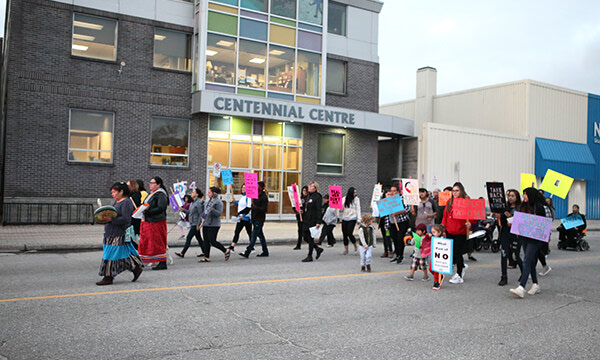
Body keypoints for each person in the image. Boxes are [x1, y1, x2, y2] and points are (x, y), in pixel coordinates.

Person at [96, 182, 143, 285]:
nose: (113, 194)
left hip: (118, 233)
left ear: (121, 191)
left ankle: (108, 276)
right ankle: (135, 267)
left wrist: (111, 219)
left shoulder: (126, 202)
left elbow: (126, 219)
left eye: (114, 192)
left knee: (110, 255)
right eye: (112, 192)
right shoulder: (117, 202)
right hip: (110, 232)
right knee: (123, 254)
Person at [510, 187, 551, 298]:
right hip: (524, 237)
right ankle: (535, 284)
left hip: (535, 238)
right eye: (523, 195)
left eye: (526, 195)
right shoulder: (522, 206)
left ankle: (521, 287)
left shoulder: (539, 208)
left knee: (527, 260)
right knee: (531, 261)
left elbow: (544, 223)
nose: (524, 197)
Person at [442, 182, 474, 284]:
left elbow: (473, 216)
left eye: (457, 190)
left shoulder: (465, 202)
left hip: (460, 232)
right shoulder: (449, 202)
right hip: (449, 231)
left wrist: (470, 224)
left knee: (458, 253)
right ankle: (462, 267)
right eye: (453, 191)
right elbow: (445, 216)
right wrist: (443, 229)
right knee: (452, 253)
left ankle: (459, 274)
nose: (455, 193)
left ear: (461, 191)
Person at [138, 176, 169, 270]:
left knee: (157, 241)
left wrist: (147, 211)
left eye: (153, 183)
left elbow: (161, 208)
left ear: (158, 184)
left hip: (156, 221)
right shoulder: (151, 194)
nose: (150, 185)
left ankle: (162, 262)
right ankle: (145, 259)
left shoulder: (161, 194)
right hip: (148, 221)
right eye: (150, 183)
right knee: (147, 242)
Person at [497, 189, 522, 286]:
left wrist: (511, 217)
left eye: (512, 196)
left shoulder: (520, 208)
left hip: (516, 234)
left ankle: (524, 272)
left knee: (516, 255)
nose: (510, 198)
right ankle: (504, 276)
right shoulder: (504, 208)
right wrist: (499, 217)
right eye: (509, 196)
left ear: (516, 197)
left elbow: (522, 222)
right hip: (505, 233)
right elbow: (501, 223)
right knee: (504, 254)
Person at [199, 187, 230, 262]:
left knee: (212, 241)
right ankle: (206, 257)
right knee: (206, 240)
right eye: (208, 192)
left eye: (209, 192)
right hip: (206, 223)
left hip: (214, 224)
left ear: (214, 193)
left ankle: (225, 250)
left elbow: (219, 213)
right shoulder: (209, 201)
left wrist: (213, 210)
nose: (208, 194)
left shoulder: (218, 202)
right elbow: (205, 211)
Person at [240, 181, 270, 258]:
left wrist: (256, 207)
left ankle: (247, 252)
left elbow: (264, 209)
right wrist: (241, 212)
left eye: (258, 186)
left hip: (259, 219)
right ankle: (265, 251)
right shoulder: (255, 196)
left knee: (253, 235)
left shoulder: (264, 197)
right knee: (261, 236)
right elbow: (250, 207)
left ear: (261, 188)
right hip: (254, 218)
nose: (256, 188)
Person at [175, 189, 204, 258]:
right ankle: (205, 251)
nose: (191, 193)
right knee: (199, 239)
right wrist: (183, 210)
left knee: (188, 238)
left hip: (195, 223)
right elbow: (190, 212)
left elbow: (201, 214)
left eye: (193, 192)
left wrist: (198, 225)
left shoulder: (199, 203)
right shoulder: (192, 202)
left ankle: (182, 253)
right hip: (192, 222)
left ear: (197, 194)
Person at [301, 182, 324, 262]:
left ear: (315, 188)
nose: (309, 188)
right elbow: (306, 206)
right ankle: (317, 248)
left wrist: (318, 221)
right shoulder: (308, 196)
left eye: (311, 186)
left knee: (310, 238)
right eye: (309, 186)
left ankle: (310, 255)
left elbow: (318, 210)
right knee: (305, 237)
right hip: (306, 219)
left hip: (313, 220)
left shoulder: (317, 197)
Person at [388, 184, 410, 264]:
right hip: (393, 222)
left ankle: (400, 255)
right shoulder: (389, 200)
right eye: (391, 191)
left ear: (398, 191)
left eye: (394, 191)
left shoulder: (402, 198)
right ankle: (397, 255)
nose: (392, 192)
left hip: (402, 221)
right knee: (394, 238)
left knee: (400, 238)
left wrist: (397, 212)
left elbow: (407, 209)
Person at [229, 184, 253, 253]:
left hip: (246, 218)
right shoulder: (243, 197)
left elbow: (248, 208)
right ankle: (232, 246)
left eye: (245, 188)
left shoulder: (248, 197)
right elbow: (241, 205)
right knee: (237, 232)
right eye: (242, 187)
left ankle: (251, 247)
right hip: (240, 218)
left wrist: (244, 216)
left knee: (249, 233)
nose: (243, 189)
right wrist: (235, 202)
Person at [341, 187, 361, 255]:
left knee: (349, 233)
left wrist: (359, 219)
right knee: (344, 234)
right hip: (344, 217)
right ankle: (346, 249)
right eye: (354, 192)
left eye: (356, 192)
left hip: (352, 217)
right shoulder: (344, 198)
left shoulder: (356, 199)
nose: (355, 194)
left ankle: (355, 246)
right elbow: (340, 207)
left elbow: (358, 209)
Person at [378, 190, 394, 258]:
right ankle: (386, 251)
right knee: (384, 237)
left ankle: (390, 250)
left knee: (388, 237)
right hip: (383, 222)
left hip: (389, 223)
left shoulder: (393, 202)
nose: (388, 195)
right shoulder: (382, 202)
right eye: (387, 194)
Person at [430, 224, 446, 290]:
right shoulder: (433, 238)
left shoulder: (442, 239)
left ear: (439, 232)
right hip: (434, 255)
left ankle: (436, 282)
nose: (432, 234)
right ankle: (439, 277)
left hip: (439, 256)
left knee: (436, 269)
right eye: (432, 232)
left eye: (434, 232)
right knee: (431, 269)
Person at [127, 179, 142, 249]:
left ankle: (137, 248)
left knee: (134, 236)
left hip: (135, 218)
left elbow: (134, 206)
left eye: (128, 185)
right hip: (132, 218)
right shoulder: (130, 194)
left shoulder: (136, 195)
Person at [293, 186, 308, 250]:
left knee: (305, 233)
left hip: (306, 218)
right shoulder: (299, 198)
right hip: (300, 217)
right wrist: (297, 211)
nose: (304, 192)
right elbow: (294, 206)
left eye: (305, 191)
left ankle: (312, 244)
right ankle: (298, 245)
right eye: (303, 191)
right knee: (300, 231)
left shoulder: (308, 198)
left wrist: (304, 211)